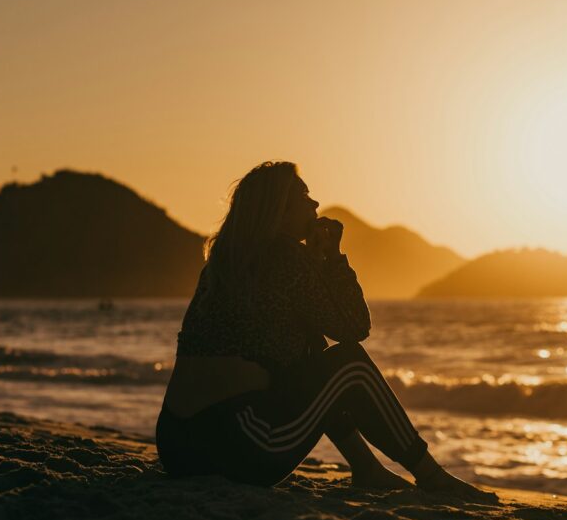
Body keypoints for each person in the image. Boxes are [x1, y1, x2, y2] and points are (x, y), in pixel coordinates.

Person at [156, 161, 494, 500]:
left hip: (175, 444)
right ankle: (431, 475)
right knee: (350, 365)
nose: (315, 205)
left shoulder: (221, 266)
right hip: (240, 445)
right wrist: (333, 258)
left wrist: (315, 265)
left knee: (311, 352)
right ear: (280, 210)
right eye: (304, 196)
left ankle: (366, 468)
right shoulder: (287, 256)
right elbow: (354, 328)